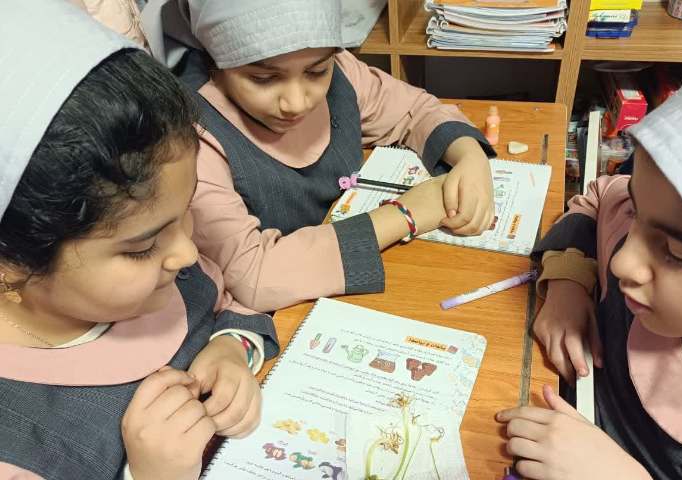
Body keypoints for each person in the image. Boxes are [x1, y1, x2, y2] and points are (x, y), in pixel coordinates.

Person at [0, 2, 278, 479]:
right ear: (12, 262)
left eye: (187, 212)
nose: (187, 253)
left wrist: (232, 348)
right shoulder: (20, 441)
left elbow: (228, 304)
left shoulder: (164, 273)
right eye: (140, 248)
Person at [141, 0, 498, 312]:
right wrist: (405, 214)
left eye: (316, 72)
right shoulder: (190, 137)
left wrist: (470, 157)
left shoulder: (339, 70)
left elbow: (414, 109)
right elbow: (253, 274)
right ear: (216, 60)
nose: (296, 102)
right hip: (285, 315)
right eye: (263, 78)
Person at [497, 45, 682, 479]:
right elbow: (601, 195)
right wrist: (569, 279)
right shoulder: (654, 231)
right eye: (636, 213)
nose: (621, 263)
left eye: (680, 254)